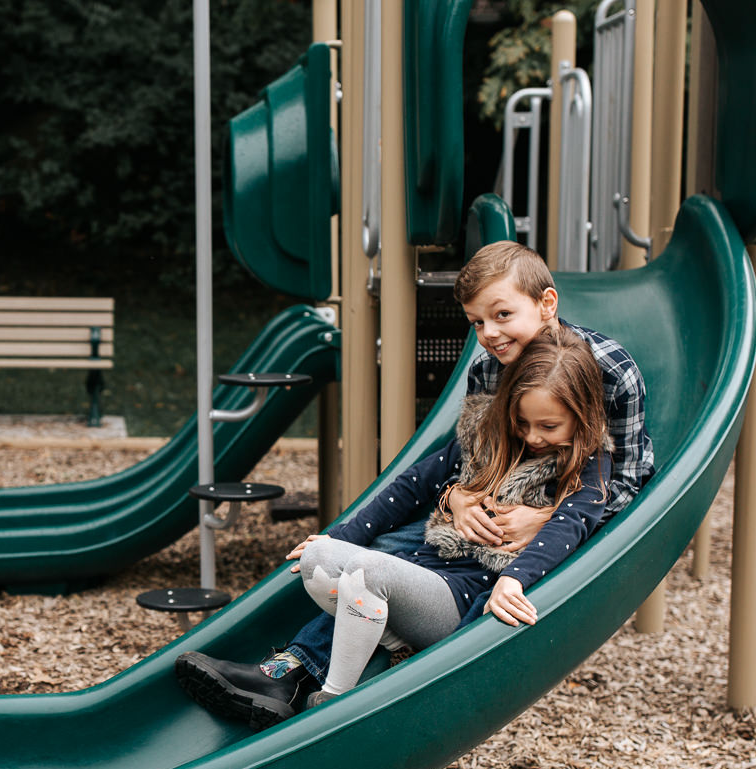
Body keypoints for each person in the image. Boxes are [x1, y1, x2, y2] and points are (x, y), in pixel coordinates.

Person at [174, 241, 655, 729]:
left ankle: (319, 681)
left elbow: (626, 485)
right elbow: (459, 463)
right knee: (366, 551)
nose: (489, 335)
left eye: (503, 315)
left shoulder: (609, 374)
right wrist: (455, 498)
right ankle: (291, 671)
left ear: (547, 304)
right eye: (477, 323)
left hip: (545, 536)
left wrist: (546, 519)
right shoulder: (491, 367)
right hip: (479, 517)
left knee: (374, 571)